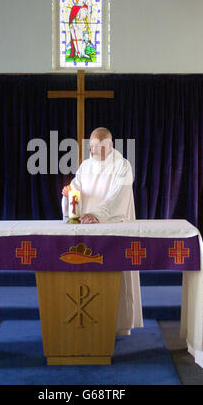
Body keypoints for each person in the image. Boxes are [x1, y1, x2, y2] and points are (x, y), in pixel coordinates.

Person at [61, 127, 143, 335]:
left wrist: (97, 214)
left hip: (113, 231)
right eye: (92, 147)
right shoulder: (85, 166)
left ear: (111, 145)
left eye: (100, 147)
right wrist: (69, 193)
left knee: (115, 277)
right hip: (87, 231)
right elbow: (76, 189)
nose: (95, 151)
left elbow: (118, 196)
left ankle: (116, 326)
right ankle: (87, 323)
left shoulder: (123, 166)